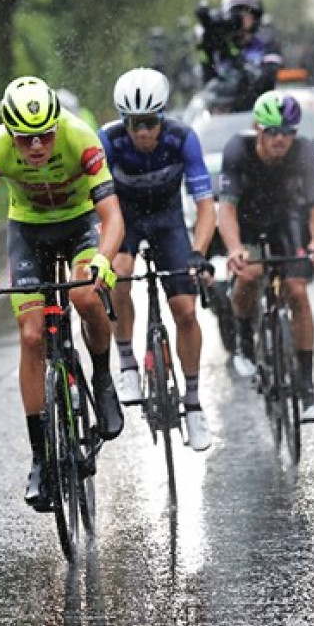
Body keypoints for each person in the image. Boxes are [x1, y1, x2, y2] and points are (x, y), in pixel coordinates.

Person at [0, 75, 125, 510]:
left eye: (45, 136)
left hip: (80, 223)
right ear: (10, 134)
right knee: (32, 335)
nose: (37, 147)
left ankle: (103, 378)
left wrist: (104, 260)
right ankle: (40, 458)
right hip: (28, 231)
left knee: (86, 296)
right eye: (26, 139)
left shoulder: (81, 136)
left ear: (58, 125)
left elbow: (112, 216)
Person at [98, 67, 216, 451]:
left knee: (184, 310)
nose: (142, 133)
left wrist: (198, 252)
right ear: (123, 121)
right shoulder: (108, 141)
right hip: (125, 220)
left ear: (162, 117)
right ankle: (128, 361)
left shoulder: (183, 138)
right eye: (134, 124)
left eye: (149, 123)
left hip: (168, 221)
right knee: (119, 271)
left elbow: (204, 205)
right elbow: (96, 203)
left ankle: (194, 404)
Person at [216, 91, 314, 422]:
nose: (281, 139)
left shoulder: (305, 152)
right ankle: (244, 339)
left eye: (288, 131)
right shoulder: (237, 150)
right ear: (258, 129)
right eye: (273, 131)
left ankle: (307, 388)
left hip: (286, 220)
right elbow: (226, 208)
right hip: (248, 223)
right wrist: (235, 247)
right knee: (249, 275)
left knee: (297, 290)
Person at [195, 0, 283, 112]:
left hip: (258, 111)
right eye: (237, 14)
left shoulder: (265, 42)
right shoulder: (219, 45)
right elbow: (208, 83)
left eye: (247, 14)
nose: (242, 19)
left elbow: (267, 80)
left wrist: (242, 67)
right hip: (221, 114)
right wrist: (208, 34)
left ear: (256, 18)